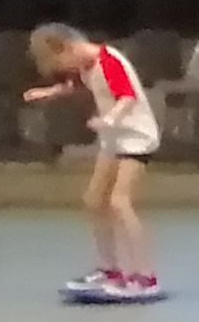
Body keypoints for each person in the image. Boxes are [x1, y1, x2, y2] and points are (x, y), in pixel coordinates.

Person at [21, 22, 160, 304]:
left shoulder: (109, 61)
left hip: (136, 138)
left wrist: (110, 119)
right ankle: (109, 270)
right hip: (114, 140)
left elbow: (127, 97)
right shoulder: (85, 65)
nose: (63, 69)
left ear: (66, 47)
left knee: (120, 202)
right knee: (94, 200)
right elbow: (74, 84)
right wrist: (49, 92)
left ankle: (146, 278)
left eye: (59, 62)